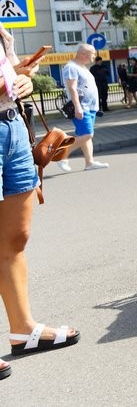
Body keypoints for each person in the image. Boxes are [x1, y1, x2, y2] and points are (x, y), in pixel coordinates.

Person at [1, 26, 81, 382]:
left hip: (12, 128)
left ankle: (23, 329)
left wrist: (23, 79)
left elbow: (12, 74)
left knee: (16, 238)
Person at [57, 44, 109, 172]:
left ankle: (89, 163)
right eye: (93, 54)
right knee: (87, 134)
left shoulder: (83, 67)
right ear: (84, 54)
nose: (94, 56)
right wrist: (77, 107)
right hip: (81, 107)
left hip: (90, 107)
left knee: (85, 136)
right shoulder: (71, 67)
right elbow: (72, 88)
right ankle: (62, 155)